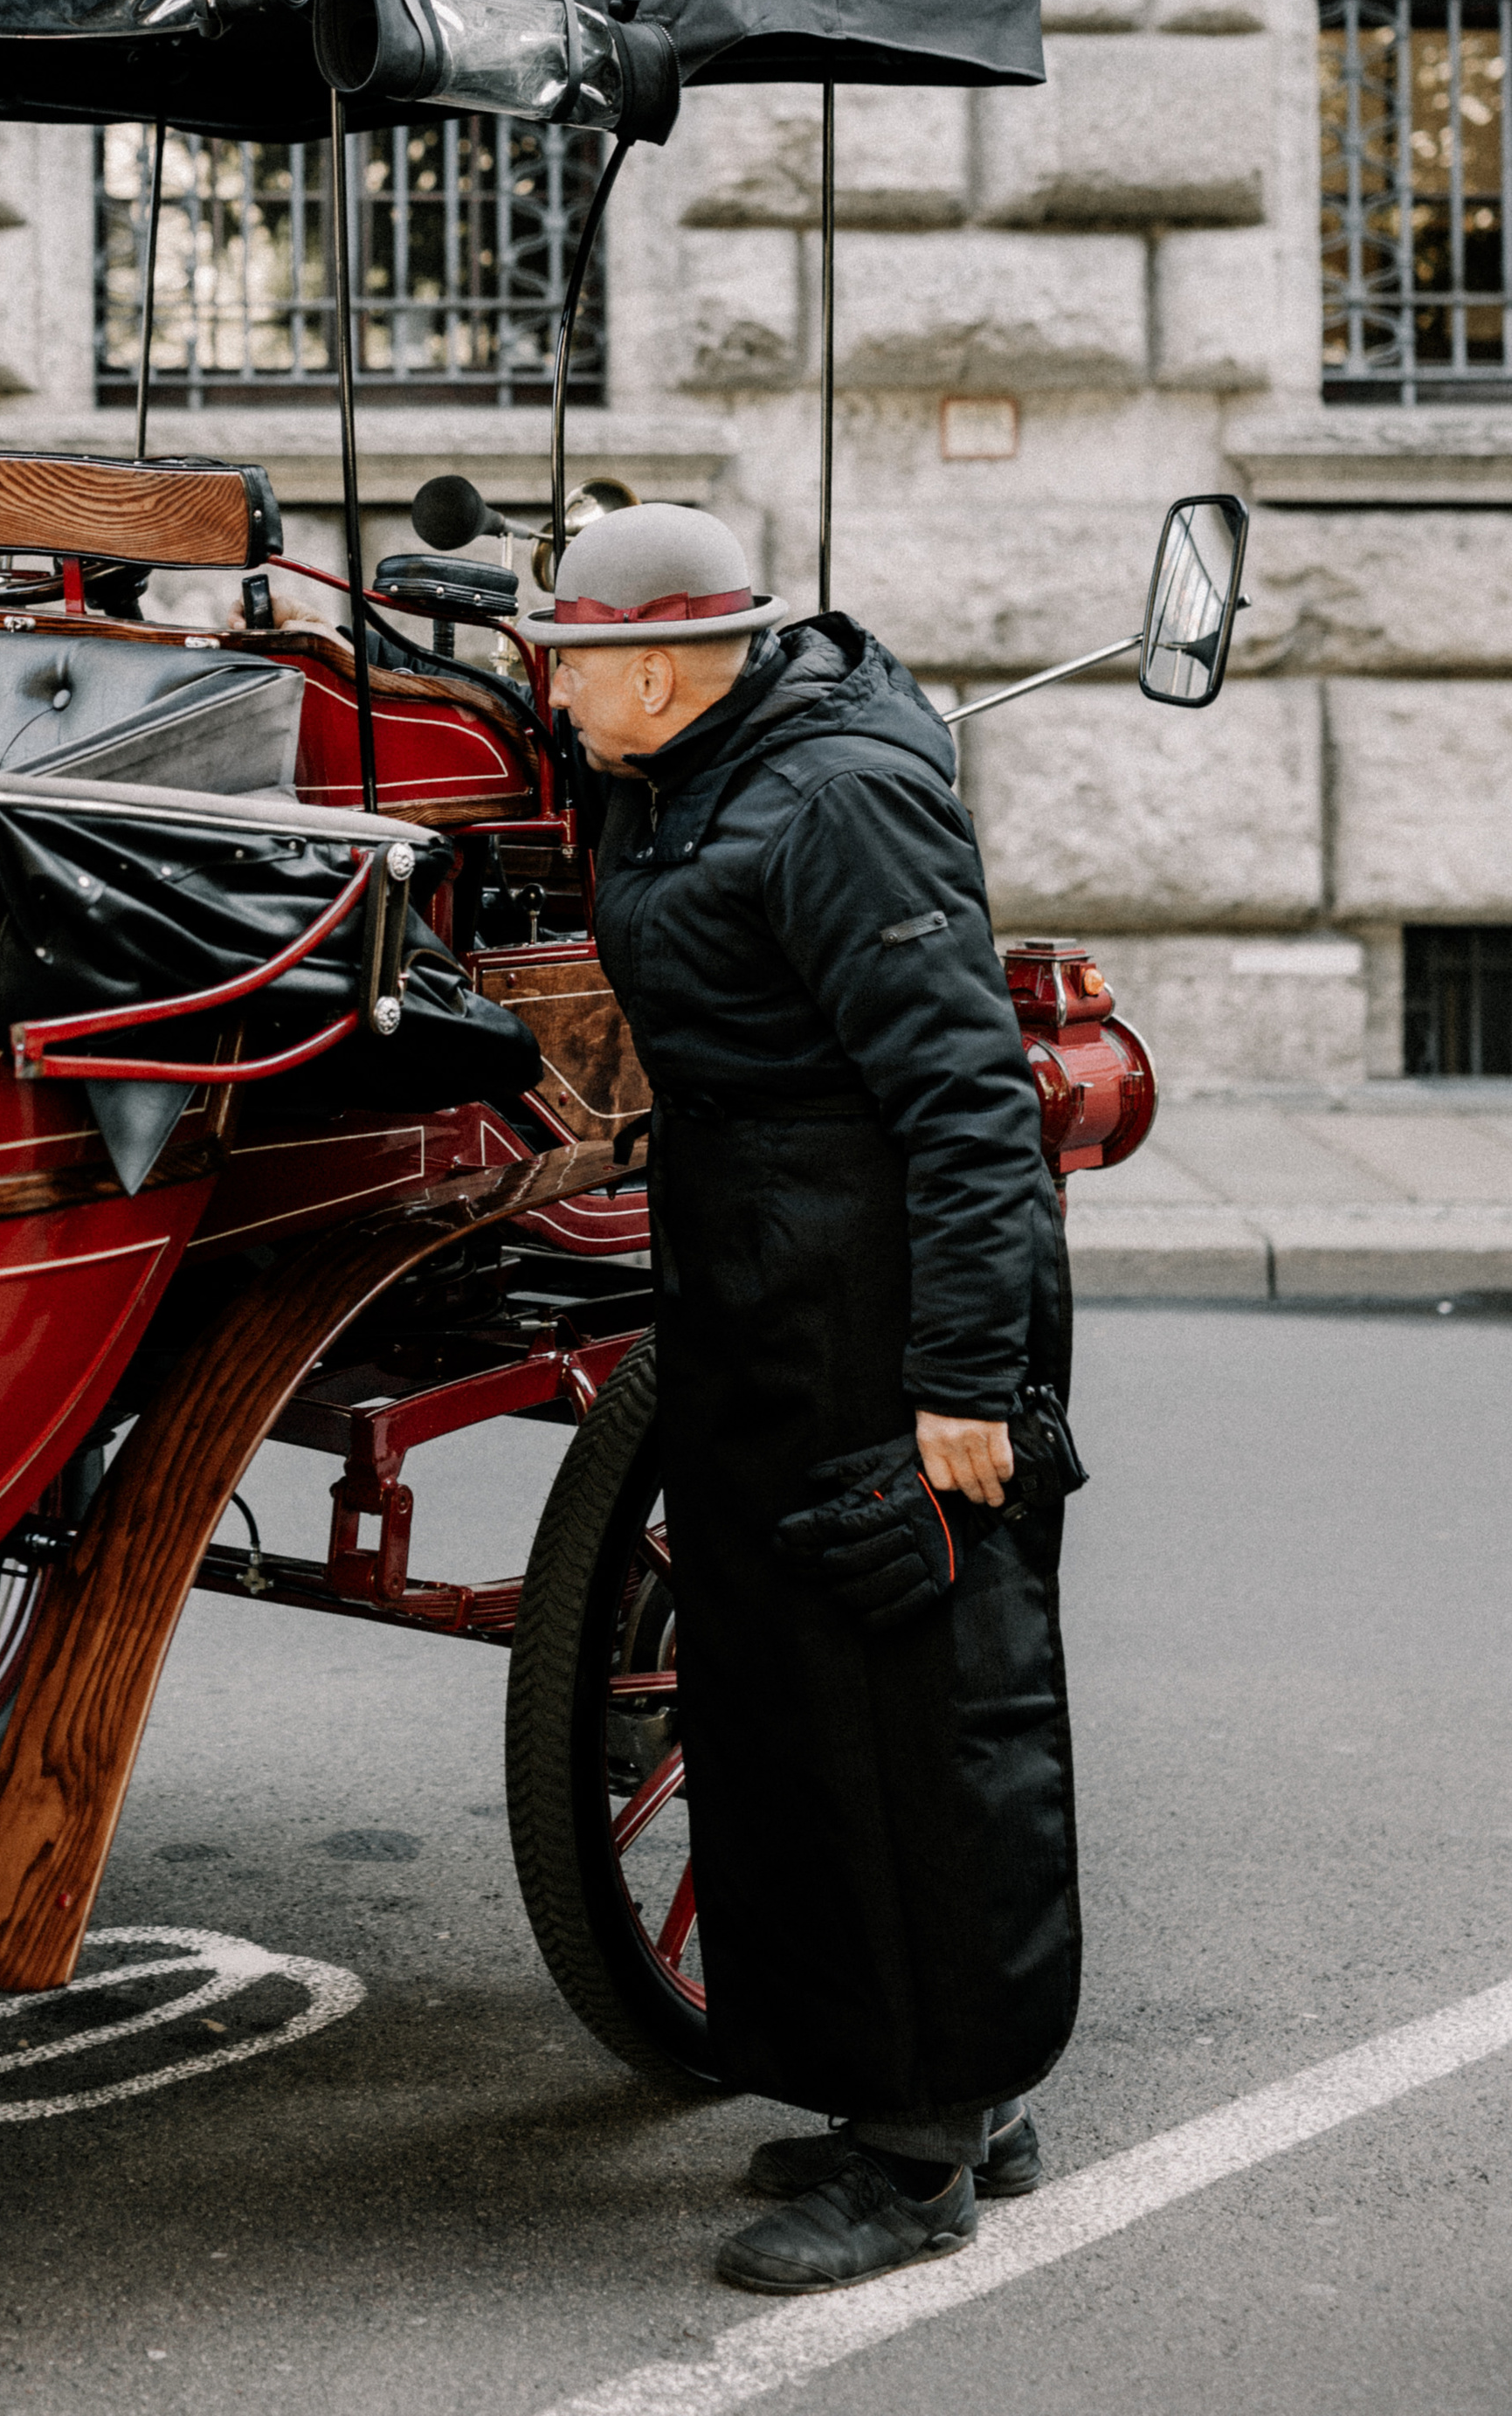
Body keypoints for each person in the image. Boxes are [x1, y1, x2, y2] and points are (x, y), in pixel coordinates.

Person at [518, 500, 1077, 2296]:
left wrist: (962, 1387)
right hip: (764, 1279)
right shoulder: (680, 762)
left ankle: (919, 2158)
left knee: (908, 1725)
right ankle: (926, 2098)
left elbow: (970, 1104)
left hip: (879, 1301)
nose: (549, 691)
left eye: (566, 665)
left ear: (660, 668)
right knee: (792, 1714)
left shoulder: (831, 799)